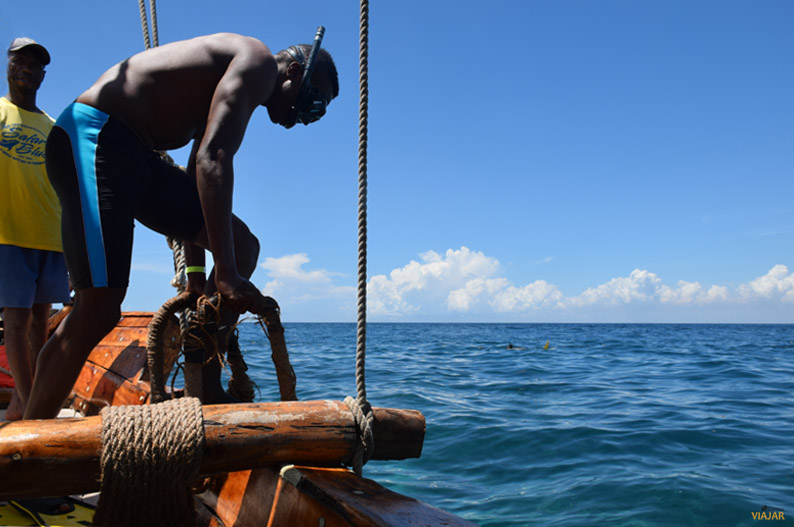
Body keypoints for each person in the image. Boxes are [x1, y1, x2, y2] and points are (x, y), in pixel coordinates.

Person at [24, 32, 338, 419]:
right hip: (96, 136)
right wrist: (224, 275)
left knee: (243, 249)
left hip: (138, 157)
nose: (305, 119)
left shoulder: (232, 85)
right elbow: (214, 158)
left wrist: (197, 276)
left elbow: (197, 178)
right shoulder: (256, 61)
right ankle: (23, 447)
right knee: (98, 308)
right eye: (313, 103)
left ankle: (202, 379)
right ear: (292, 72)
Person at [0, 38, 71, 420]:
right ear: (9, 66)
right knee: (15, 320)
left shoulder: (50, 125)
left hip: (50, 236)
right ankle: (31, 408)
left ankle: (19, 402)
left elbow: (63, 185)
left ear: (43, 75)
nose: (27, 68)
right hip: (8, 235)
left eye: (35, 64)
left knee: (40, 321)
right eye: (20, 61)